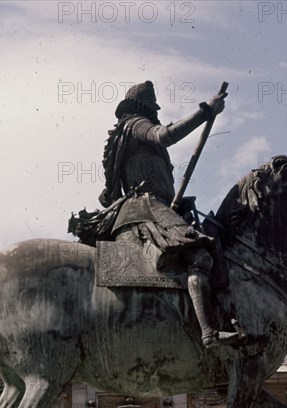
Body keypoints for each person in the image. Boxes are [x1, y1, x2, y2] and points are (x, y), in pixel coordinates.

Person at [100, 81, 239, 348]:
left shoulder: (128, 134)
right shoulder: (135, 125)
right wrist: (206, 112)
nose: (156, 111)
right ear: (144, 107)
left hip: (158, 207)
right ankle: (208, 332)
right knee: (198, 255)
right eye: (154, 106)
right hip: (145, 209)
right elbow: (165, 135)